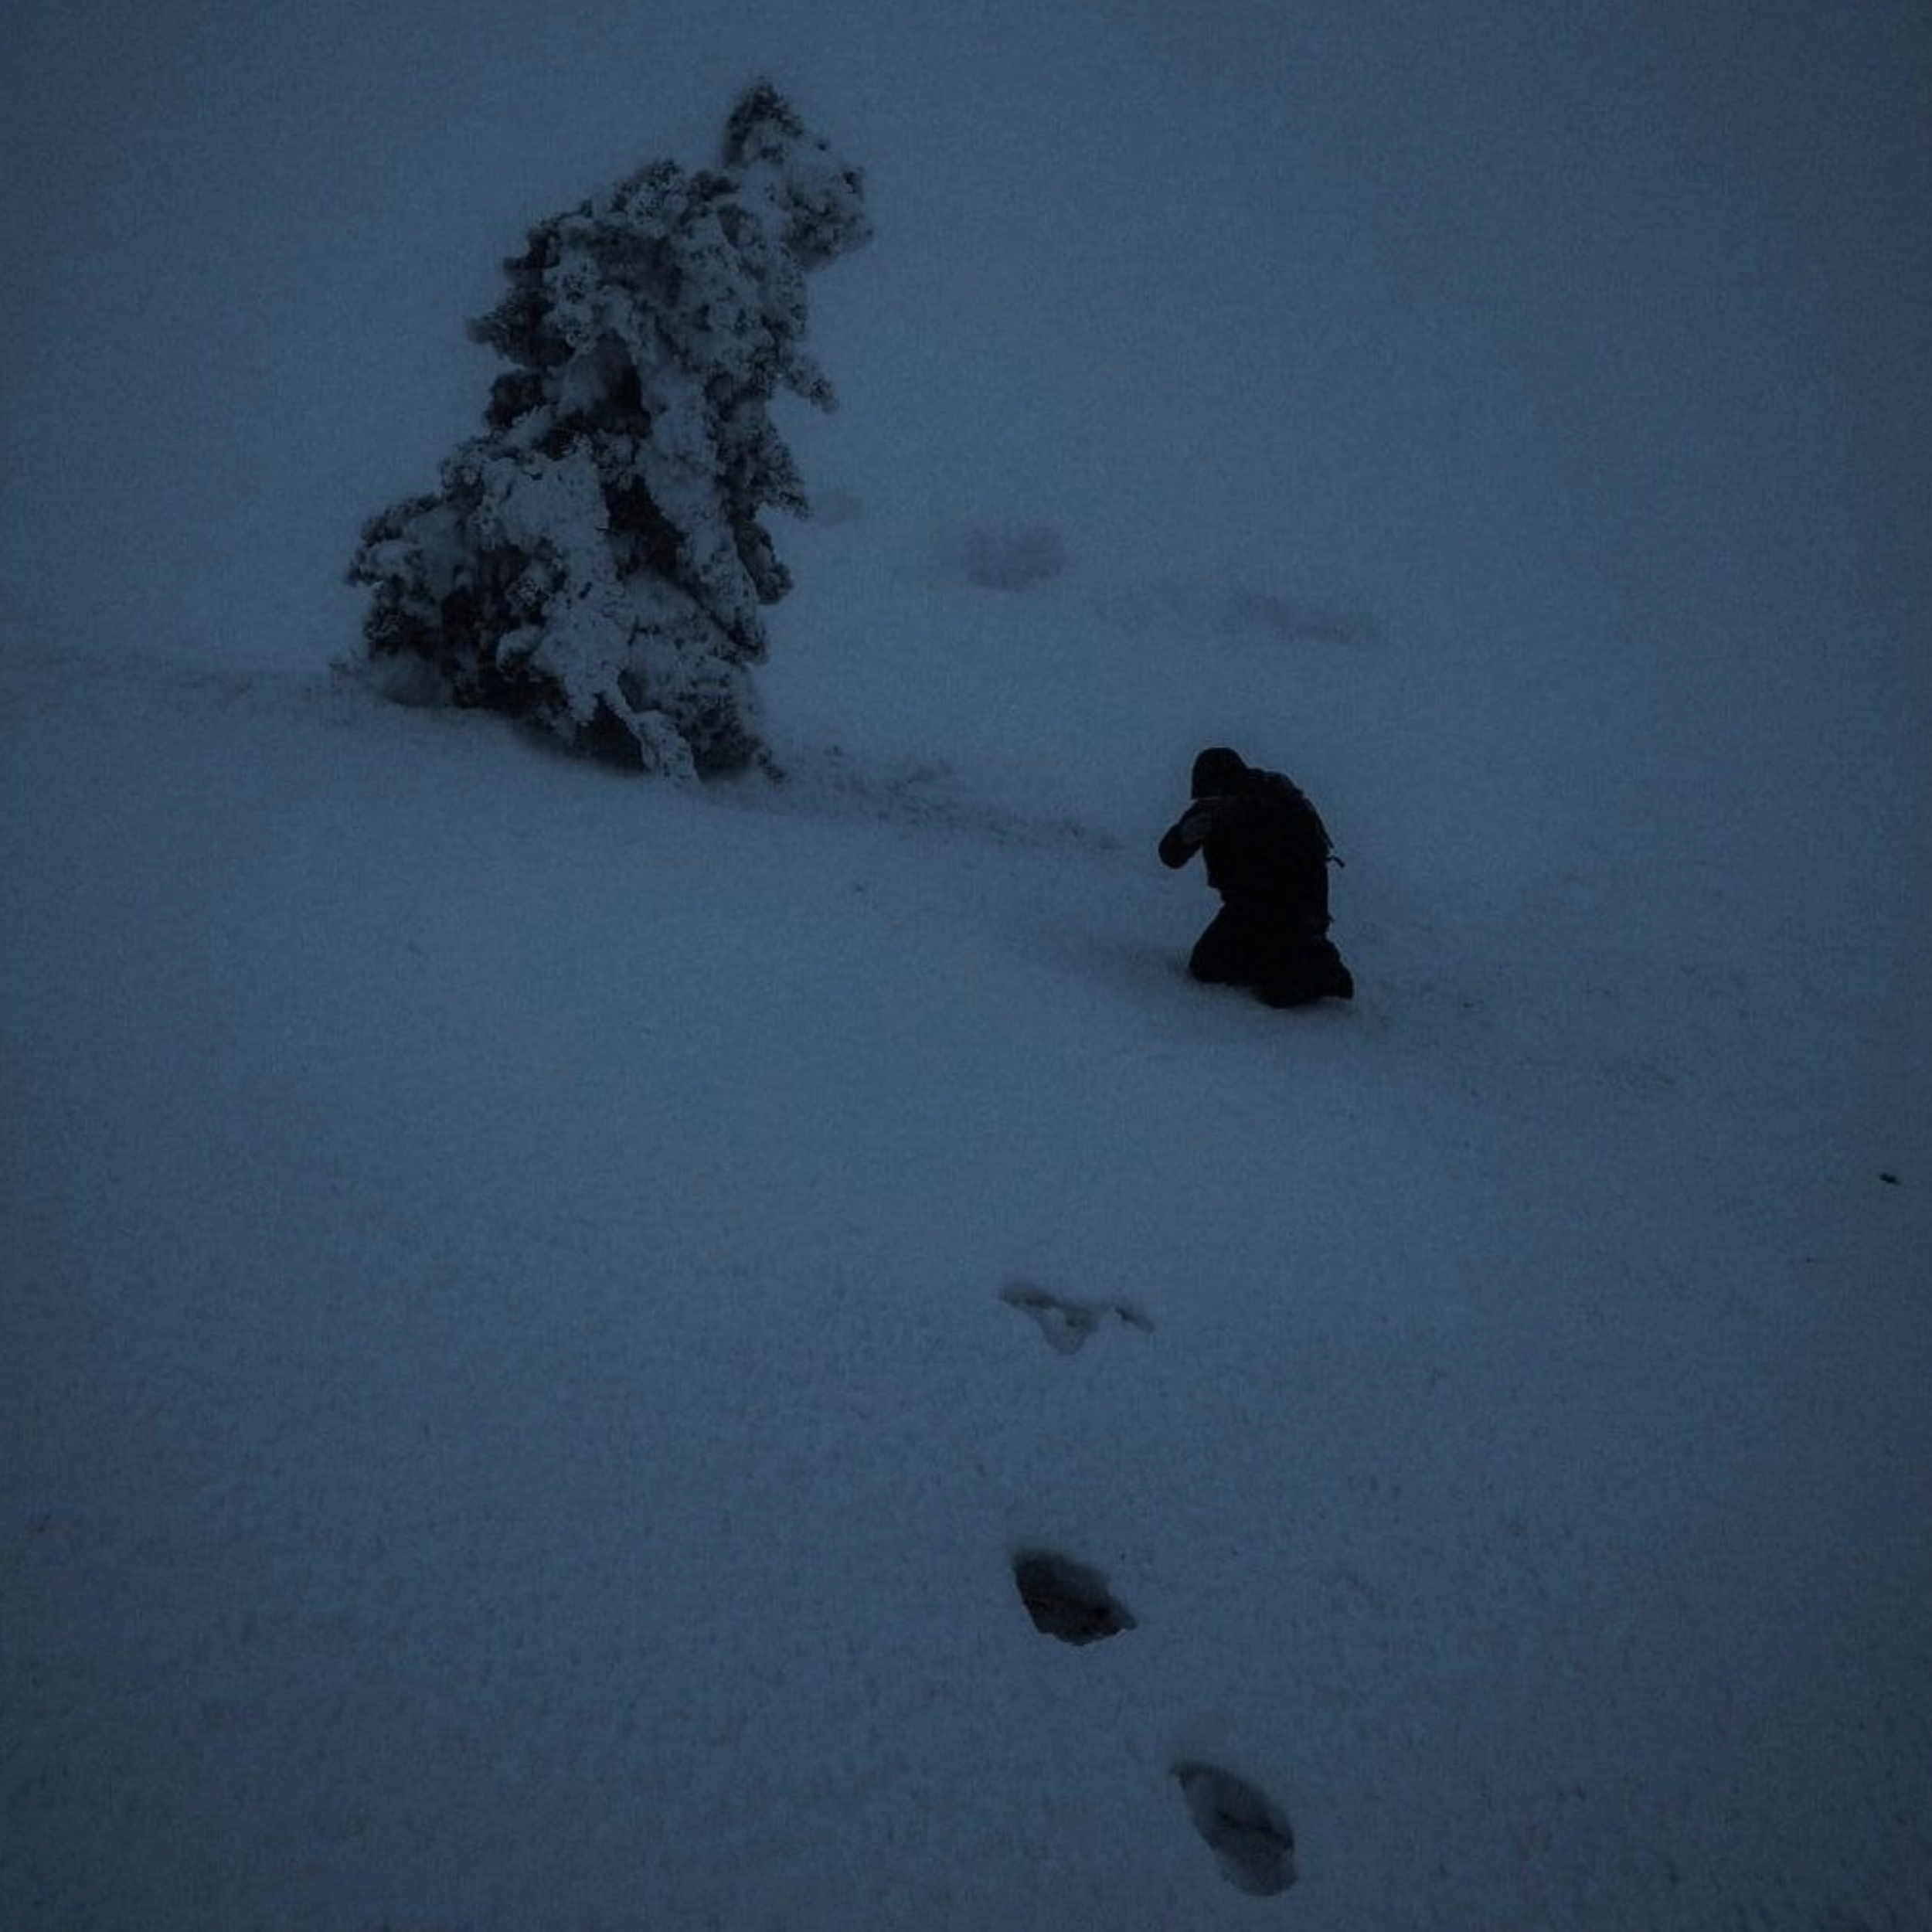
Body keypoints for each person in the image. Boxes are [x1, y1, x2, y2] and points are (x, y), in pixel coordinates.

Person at [1158, 746, 1355, 1008]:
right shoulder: (1210, 810)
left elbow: (1311, 870)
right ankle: (1266, 958)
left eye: (1219, 797)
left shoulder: (1278, 807)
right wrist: (1182, 837)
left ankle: (1320, 962)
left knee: (1281, 993)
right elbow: (1171, 856)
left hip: (1291, 909)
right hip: (1245, 908)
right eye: (1208, 799)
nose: (1214, 803)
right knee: (1206, 967)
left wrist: (1310, 922)